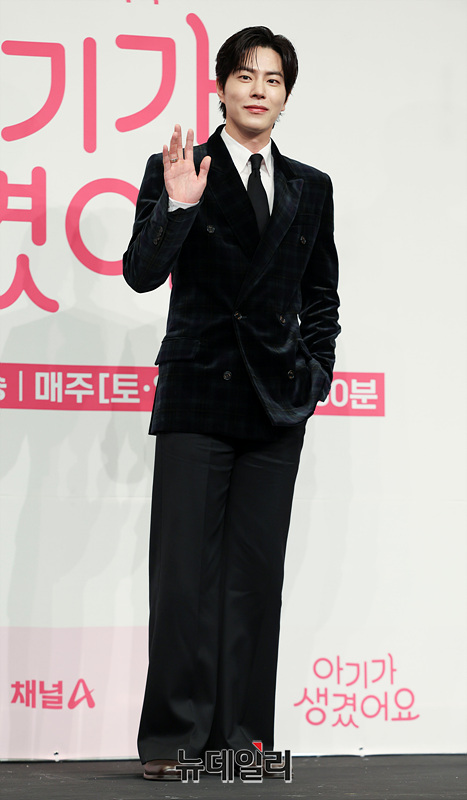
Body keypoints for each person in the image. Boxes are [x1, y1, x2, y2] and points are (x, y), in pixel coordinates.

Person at [123, 25, 340, 781]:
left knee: (254, 579)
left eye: (272, 79)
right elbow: (141, 272)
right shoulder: (179, 167)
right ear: (219, 87)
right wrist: (178, 206)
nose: (258, 89)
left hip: (277, 402)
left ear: (285, 95)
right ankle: (173, 741)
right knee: (183, 576)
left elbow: (321, 296)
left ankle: (241, 737)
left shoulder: (311, 186)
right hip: (197, 393)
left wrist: (314, 374)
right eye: (244, 75)